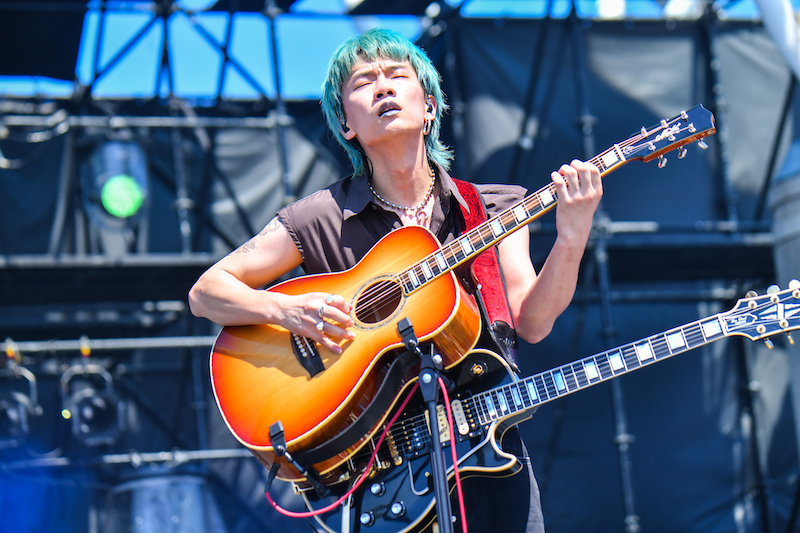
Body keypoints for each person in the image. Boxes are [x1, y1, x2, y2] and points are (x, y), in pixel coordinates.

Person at [189, 28, 602, 533]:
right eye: (363, 82)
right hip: (384, 473)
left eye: (397, 76)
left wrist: (572, 236)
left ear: (429, 107)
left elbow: (532, 323)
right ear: (346, 124)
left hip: (490, 451)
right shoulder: (321, 216)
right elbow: (207, 291)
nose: (383, 87)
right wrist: (287, 311)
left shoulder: (494, 207)